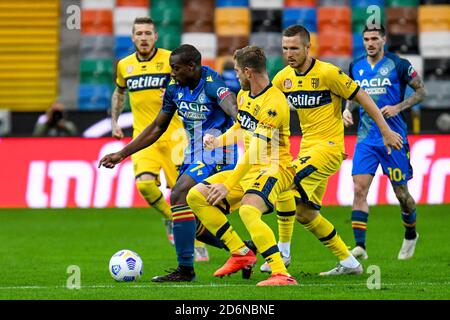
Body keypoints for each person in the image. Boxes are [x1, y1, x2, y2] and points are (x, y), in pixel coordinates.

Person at [100, 44, 239, 282]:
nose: (172, 73)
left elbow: (232, 106)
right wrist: (122, 154)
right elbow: (156, 127)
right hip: (194, 154)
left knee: (178, 194)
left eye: (175, 69)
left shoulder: (213, 83)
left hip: (218, 152)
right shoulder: (175, 88)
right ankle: (242, 249)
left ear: (192, 67)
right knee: (190, 218)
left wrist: (241, 120)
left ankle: (185, 271)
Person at [272, 25, 403, 275]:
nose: (289, 53)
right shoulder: (282, 78)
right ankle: (349, 262)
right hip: (307, 150)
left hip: (329, 148)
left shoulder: (328, 73)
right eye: (285, 48)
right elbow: (270, 106)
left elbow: (363, 96)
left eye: (294, 48)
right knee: (304, 213)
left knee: (282, 182)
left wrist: (386, 130)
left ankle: (282, 253)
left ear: (308, 47)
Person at [187, 46, 298, 286]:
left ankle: (281, 274)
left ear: (248, 72)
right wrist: (218, 140)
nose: (235, 76)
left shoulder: (274, 103)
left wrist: (228, 185)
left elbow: (257, 149)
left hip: (276, 168)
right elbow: (240, 128)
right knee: (196, 196)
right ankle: (240, 252)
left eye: (237, 71)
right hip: (251, 169)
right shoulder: (243, 96)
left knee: (248, 210)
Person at [111, 17, 208, 260]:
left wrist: (178, 89)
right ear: (133, 38)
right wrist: (114, 121)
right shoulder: (124, 65)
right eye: (139, 33)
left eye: (148, 33)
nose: (143, 37)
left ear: (156, 37)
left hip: (175, 137)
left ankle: (196, 240)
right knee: (144, 184)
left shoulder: (169, 60)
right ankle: (170, 218)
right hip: (144, 137)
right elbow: (119, 92)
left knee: (184, 194)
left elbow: (193, 83)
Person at [343, 25, 426, 260]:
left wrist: (398, 107)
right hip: (366, 139)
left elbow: (421, 92)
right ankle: (360, 246)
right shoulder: (355, 66)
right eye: (366, 39)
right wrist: (347, 110)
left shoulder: (399, 64)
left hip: (394, 138)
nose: (370, 43)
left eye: (374, 39)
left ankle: (411, 234)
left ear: (384, 40)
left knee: (401, 194)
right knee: (359, 189)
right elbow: (352, 94)